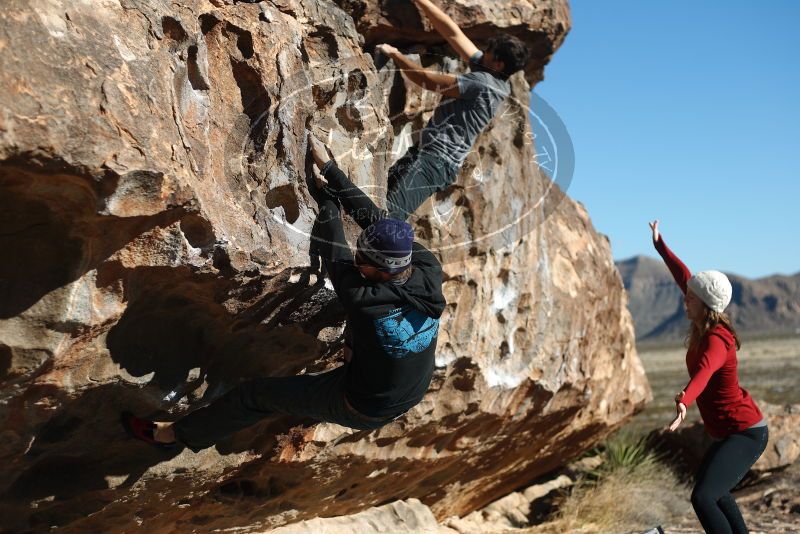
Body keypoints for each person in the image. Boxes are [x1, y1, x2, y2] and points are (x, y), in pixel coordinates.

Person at [121, 135, 445, 451]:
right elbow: (377, 222)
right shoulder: (425, 266)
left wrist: (328, 200)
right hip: (409, 386)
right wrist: (331, 170)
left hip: (362, 404)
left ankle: (172, 437)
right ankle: (346, 374)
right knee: (368, 346)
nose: (357, 260)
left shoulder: (365, 300)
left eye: (364, 261)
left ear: (384, 271)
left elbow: (335, 247)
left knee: (255, 396)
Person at [649, 220, 767, 534]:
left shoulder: (718, 340)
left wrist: (685, 399)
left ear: (705, 306)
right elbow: (683, 276)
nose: (684, 299)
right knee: (716, 493)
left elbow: (704, 372)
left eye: (690, 298)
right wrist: (660, 244)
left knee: (704, 497)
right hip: (730, 432)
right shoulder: (703, 317)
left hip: (746, 432)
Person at [374, 0, 529, 220]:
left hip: (434, 162)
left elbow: (427, 80)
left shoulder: (483, 83)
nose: (482, 52)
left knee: (387, 216)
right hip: (428, 155)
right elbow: (453, 33)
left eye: (489, 51)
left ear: (498, 64)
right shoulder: (497, 79)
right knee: (377, 201)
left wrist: (395, 55)